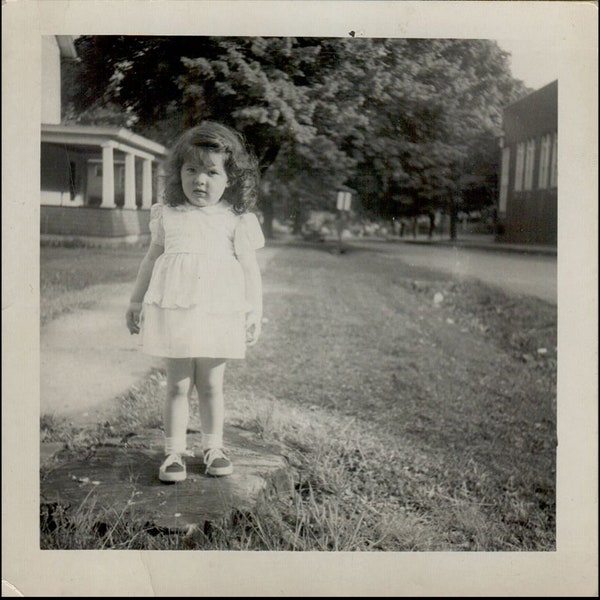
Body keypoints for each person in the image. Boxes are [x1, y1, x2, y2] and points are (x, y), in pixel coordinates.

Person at [125, 121, 264, 483]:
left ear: (229, 178)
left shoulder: (236, 220)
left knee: (212, 385)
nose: (200, 180)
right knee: (177, 385)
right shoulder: (167, 214)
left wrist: (255, 311)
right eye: (192, 170)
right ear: (179, 173)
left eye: (211, 172)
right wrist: (135, 301)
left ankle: (213, 446)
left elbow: (250, 271)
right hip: (177, 314)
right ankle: (173, 453)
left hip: (218, 313)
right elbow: (151, 259)